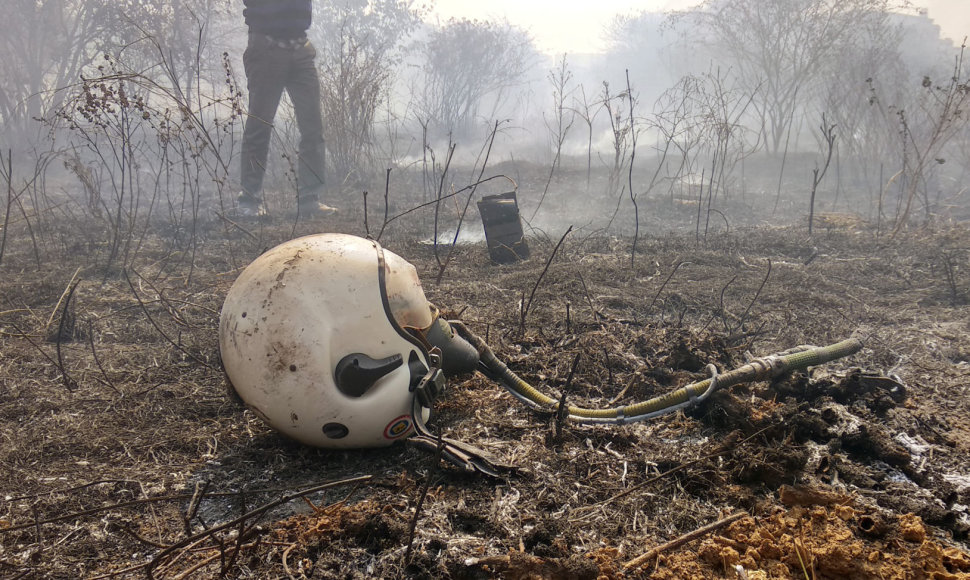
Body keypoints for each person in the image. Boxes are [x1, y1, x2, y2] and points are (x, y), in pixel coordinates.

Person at [237, 0, 336, 217]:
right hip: (266, 47)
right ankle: (249, 200)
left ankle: (309, 200)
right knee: (260, 124)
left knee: (313, 127)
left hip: (300, 47)